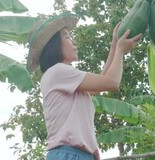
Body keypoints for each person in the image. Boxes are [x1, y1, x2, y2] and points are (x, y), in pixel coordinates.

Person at [26, 12, 141, 160]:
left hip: (74, 154)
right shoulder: (58, 72)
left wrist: (115, 44)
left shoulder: (62, 76)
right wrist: (120, 50)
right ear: (53, 45)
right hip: (69, 154)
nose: (74, 42)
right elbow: (112, 82)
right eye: (67, 37)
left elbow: (102, 80)